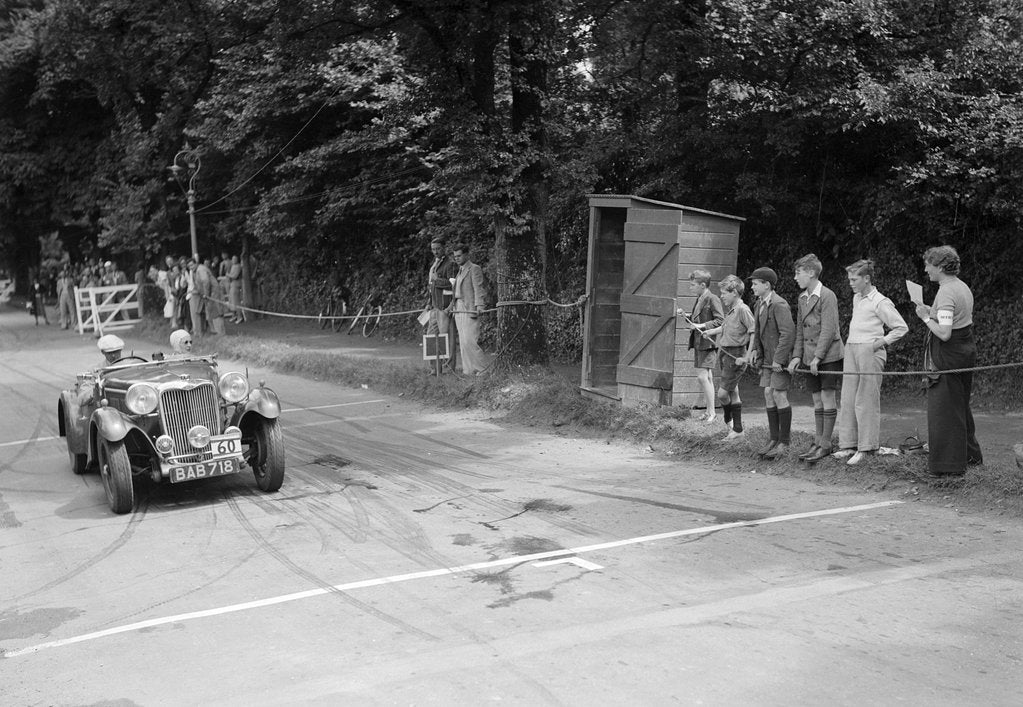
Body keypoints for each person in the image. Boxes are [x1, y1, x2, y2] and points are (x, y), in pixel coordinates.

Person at [914, 246, 982, 477]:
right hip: (965, 351)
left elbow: (944, 333)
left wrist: (924, 317)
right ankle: (970, 457)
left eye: (928, 265)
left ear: (941, 267)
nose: (926, 269)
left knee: (944, 409)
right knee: (960, 405)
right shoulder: (961, 286)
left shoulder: (945, 292)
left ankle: (947, 467)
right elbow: (954, 318)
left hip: (949, 355)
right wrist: (931, 311)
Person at [834, 259, 909, 465]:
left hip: (870, 351)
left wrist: (879, 343)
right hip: (852, 349)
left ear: (866, 278)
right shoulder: (857, 298)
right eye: (849, 279)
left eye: (854, 279)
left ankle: (866, 447)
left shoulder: (880, 301)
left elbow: (901, 328)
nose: (850, 283)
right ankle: (848, 445)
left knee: (866, 400)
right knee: (848, 397)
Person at [787, 254, 844, 463]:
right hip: (811, 357)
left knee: (828, 397)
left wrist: (818, 357)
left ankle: (826, 443)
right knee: (816, 399)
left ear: (811, 273)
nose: (795, 277)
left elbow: (829, 329)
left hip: (828, 355)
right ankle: (818, 441)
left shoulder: (828, 295)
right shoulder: (802, 298)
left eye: (798, 273)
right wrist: (796, 357)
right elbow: (801, 331)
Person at [748, 266, 795, 459]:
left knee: (779, 394)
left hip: (779, 360)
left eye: (755, 283)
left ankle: (784, 442)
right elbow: (758, 332)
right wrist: (754, 352)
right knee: (768, 393)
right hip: (767, 360)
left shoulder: (779, 304)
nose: (752, 287)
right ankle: (773, 439)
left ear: (767, 285)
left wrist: (779, 359)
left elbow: (788, 334)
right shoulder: (759, 304)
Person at [704, 275, 755, 440]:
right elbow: (725, 328)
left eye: (724, 292)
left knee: (723, 394)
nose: (721, 296)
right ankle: (737, 430)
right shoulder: (731, 310)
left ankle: (728, 420)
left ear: (734, 292)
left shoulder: (743, 309)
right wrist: (710, 332)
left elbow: (753, 331)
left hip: (736, 355)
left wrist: (746, 357)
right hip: (725, 354)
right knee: (733, 391)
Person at [679, 269, 724, 422]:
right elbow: (695, 320)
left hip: (708, 343)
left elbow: (720, 321)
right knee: (707, 377)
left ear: (703, 285)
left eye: (693, 285)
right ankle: (709, 411)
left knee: (702, 377)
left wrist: (702, 325)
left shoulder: (712, 298)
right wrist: (686, 317)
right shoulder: (699, 298)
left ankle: (711, 413)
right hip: (699, 342)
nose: (690, 287)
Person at [448, 242, 488, 375]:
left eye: (459, 256)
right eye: (455, 256)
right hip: (458, 307)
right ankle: (468, 370)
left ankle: (482, 369)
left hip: (469, 307)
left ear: (466, 255)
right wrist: (451, 306)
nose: (457, 258)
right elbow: (457, 292)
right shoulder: (459, 271)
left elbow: (478, 288)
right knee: (463, 342)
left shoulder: (474, 268)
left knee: (471, 340)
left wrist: (480, 305)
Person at [427, 238, 459, 373]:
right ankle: (435, 369)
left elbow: (453, 284)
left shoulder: (450, 264)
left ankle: (448, 369)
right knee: (431, 337)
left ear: (444, 248)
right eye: (433, 249)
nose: (435, 251)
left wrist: (436, 280)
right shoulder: (434, 264)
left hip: (445, 307)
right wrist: (428, 302)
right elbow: (431, 286)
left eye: (438, 249)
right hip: (434, 307)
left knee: (447, 339)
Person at [227, 255, 245, 323]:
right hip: (231, 285)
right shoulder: (233, 266)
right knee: (231, 301)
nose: (233, 260)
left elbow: (235, 276)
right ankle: (234, 315)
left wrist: (228, 275)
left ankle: (239, 317)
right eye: (232, 259)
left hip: (236, 285)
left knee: (236, 301)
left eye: (235, 259)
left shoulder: (238, 266)